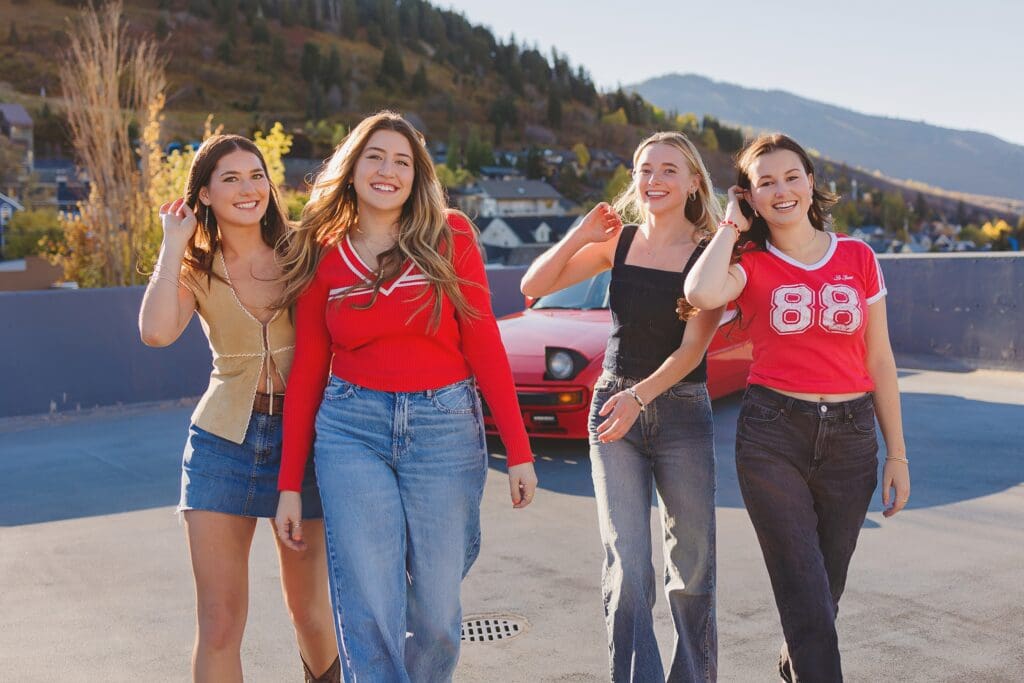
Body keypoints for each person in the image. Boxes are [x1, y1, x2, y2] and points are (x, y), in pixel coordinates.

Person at [273, 111, 538, 683]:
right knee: (370, 600)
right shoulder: (324, 251)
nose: (387, 171)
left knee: (438, 611)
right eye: (375, 157)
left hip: (444, 427)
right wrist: (289, 485)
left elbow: (485, 341)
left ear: (417, 176)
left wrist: (519, 450)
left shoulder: (452, 235)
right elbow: (310, 370)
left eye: (402, 161)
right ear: (352, 168)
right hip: (350, 429)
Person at [683, 133, 911, 682]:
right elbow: (701, 293)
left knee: (824, 586)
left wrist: (896, 455)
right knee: (802, 585)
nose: (781, 191)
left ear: (811, 182)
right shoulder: (751, 262)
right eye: (765, 183)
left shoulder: (858, 257)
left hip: (852, 439)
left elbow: (879, 358)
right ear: (750, 196)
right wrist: (730, 227)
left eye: (790, 177)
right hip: (772, 436)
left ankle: (797, 662)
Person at [522, 131, 725, 682]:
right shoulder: (622, 242)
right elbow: (533, 284)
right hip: (613, 408)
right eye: (644, 169)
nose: (654, 180)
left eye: (668, 170)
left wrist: (640, 397)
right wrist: (578, 236)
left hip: (680, 410)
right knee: (629, 565)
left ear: (692, 183)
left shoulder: (710, 252)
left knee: (692, 567)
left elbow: (692, 351)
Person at [138, 134, 339, 683]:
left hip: (305, 445)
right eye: (230, 178)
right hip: (221, 445)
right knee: (220, 623)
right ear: (203, 194)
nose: (248, 188)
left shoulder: (306, 250)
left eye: (256, 175)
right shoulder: (195, 266)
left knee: (312, 615)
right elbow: (155, 332)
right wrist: (172, 243)